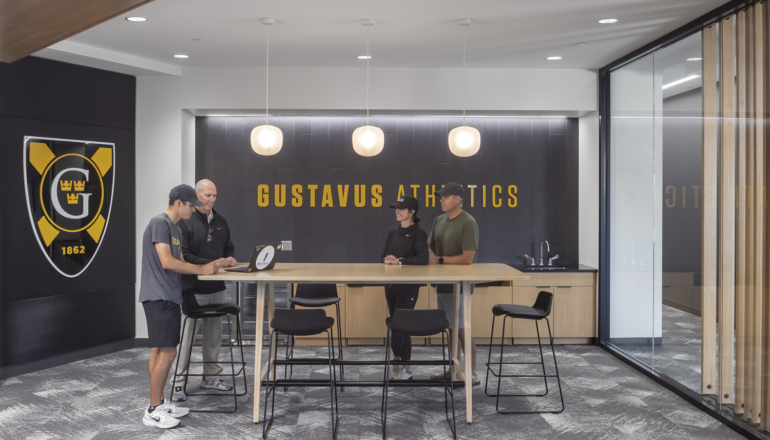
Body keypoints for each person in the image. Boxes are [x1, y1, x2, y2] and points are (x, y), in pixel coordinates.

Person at [138, 184, 219, 429]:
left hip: (168, 296)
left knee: (158, 351)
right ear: (178, 202)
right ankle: (153, 410)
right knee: (168, 352)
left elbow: (182, 260)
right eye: (191, 204)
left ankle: (159, 403)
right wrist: (201, 269)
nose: (194, 209)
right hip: (159, 296)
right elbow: (166, 261)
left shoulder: (174, 228)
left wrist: (211, 265)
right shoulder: (160, 223)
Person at [171, 179, 238, 402]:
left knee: (213, 337)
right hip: (193, 288)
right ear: (196, 196)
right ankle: (178, 383)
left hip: (216, 287)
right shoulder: (185, 222)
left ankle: (211, 377)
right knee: (187, 337)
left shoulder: (221, 221)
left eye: (214, 196)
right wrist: (212, 263)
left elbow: (229, 247)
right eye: (207, 196)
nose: (211, 200)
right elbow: (185, 256)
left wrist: (228, 259)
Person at [427, 182, 481, 386]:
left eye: (445, 197)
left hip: (460, 285)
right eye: (440, 196)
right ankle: (454, 369)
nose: (441, 199)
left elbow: (468, 258)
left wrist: (439, 259)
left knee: (461, 328)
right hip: (442, 283)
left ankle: (472, 373)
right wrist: (433, 257)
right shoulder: (439, 220)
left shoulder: (468, 222)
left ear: (457, 199)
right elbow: (430, 247)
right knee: (451, 327)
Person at [381, 195, 429, 380]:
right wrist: (387, 260)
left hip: (408, 287)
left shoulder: (418, 233)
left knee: (401, 326)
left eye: (401, 209)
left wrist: (399, 261)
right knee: (397, 325)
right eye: (396, 208)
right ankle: (403, 367)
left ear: (412, 212)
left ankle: (400, 363)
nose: (397, 211)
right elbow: (384, 255)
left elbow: (422, 259)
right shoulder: (392, 233)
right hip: (391, 286)